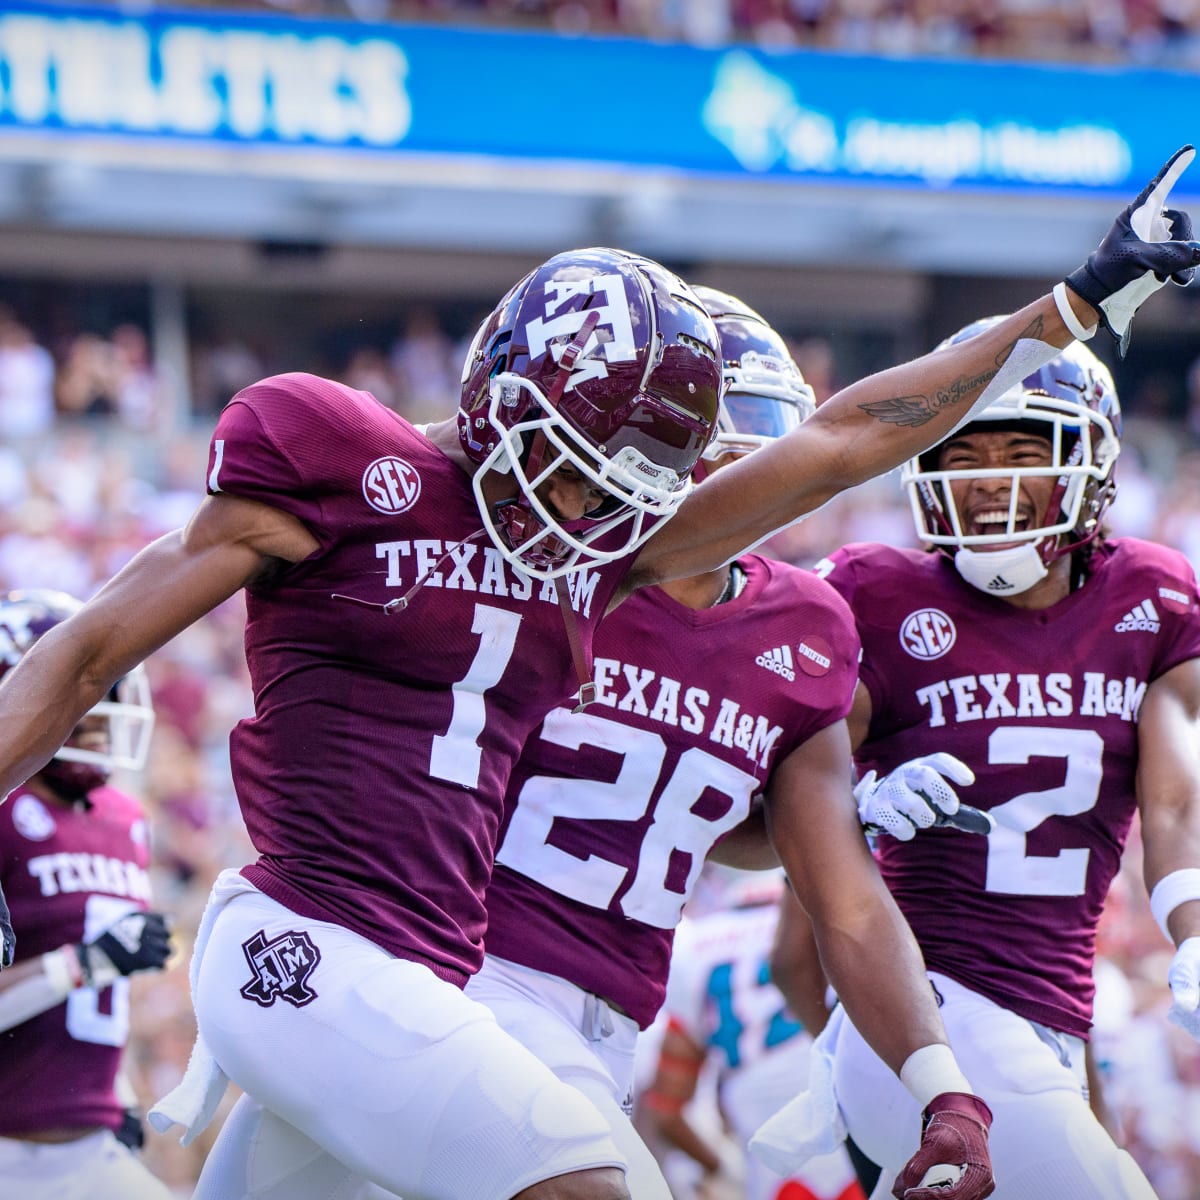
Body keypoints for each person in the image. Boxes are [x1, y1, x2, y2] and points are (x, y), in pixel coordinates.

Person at [0, 145, 1193, 1200]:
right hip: (308, 945)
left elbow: (837, 443)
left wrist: (1070, 307)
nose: (582, 516)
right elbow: (93, 645)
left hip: (426, 975)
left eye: (620, 497)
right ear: (498, 398)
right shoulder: (340, 469)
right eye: (572, 476)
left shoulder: (595, 558)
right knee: (579, 1180)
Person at [459, 285, 972, 1200]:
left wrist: (945, 1090)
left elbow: (840, 898)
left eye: (751, 456)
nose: (732, 484)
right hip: (463, 966)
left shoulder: (806, 625)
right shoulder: (550, 570)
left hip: (609, 1014)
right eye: (703, 452)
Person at [759, 327, 1200, 1199]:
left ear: (1093, 464)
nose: (992, 477)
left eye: (1023, 449)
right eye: (968, 451)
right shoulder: (873, 595)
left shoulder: (1153, 596)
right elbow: (788, 823)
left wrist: (1194, 931)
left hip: (1052, 1022)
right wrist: (863, 802)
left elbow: (1178, 807)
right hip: (925, 1011)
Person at [0, 589, 174, 1200]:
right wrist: (84, 963)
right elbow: (86, 964)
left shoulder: (123, 818)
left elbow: (95, 1006)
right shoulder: (5, 811)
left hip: (85, 1149)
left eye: (112, 688)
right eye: (88, 688)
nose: (108, 707)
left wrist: (116, 1093)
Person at [641, 867, 866, 1200]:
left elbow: (665, 1107)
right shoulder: (826, 920)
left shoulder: (693, 947)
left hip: (763, 1143)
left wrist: (723, 1170)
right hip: (841, 1109)